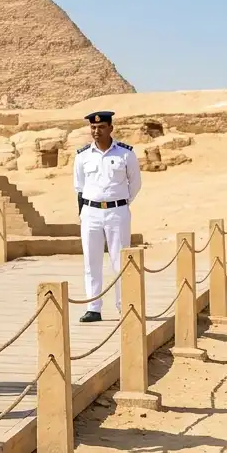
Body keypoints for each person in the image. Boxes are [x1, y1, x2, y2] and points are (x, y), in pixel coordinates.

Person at [73, 110, 142, 323]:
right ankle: (93, 307)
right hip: (91, 213)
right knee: (91, 262)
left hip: (117, 212)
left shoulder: (125, 154)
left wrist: (119, 204)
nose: (96, 131)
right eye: (93, 127)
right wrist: (86, 210)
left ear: (111, 128)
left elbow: (135, 184)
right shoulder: (82, 156)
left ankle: (125, 306)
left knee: (119, 261)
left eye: (101, 127)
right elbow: (79, 186)